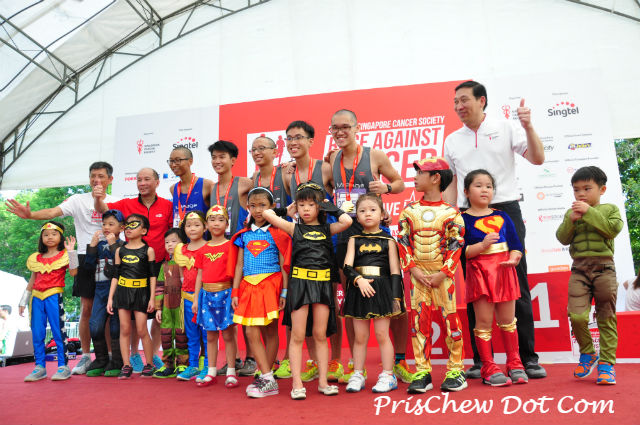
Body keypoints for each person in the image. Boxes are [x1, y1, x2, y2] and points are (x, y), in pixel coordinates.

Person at [443, 80, 547, 379]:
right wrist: (449, 218)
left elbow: (538, 158)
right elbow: (451, 183)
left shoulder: (507, 127)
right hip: (467, 216)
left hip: (505, 211)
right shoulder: (452, 140)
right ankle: (481, 361)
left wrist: (528, 126)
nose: (459, 107)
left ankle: (526, 359)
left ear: (481, 100)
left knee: (516, 282)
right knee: (475, 289)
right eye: (455, 102)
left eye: (464, 100)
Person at [7, 161, 116, 375]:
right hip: (85, 255)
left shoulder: (117, 200)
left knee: (108, 310)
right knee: (87, 308)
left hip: (109, 255)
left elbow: (109, 215)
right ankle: (86, 356)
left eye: (101, 176)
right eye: (93, 176)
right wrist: (30, 214)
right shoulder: (77, 200)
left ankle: (110, 357)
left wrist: (99, 200)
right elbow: (52, 212)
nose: (96, 180)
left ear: (110, 179)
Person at [327, 109, 411, 384]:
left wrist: (387, 189)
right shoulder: (332, 157)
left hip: (375, 231)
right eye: (335, 127)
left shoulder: (374, 155)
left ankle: (399, 360)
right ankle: (356, 364)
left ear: (356, 127)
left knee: (393, 297)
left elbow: (399, 182)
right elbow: (325, 186)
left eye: (345, 126)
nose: (340, 132)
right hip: (346, 232)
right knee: (352, 297)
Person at [264, 182, 352, 399]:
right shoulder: (294, 227)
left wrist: (331, 206)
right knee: (298, 335)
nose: (305, 209)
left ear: (318, 207)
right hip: (300, 285)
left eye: (311, 205)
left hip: (322, 285)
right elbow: (267, 214)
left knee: (320, 334)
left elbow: (347, 221)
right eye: (301, 204)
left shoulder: (327, 229)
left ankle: (323, 382)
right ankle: (297, 384)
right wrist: (287, 210)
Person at [397, 158, 467, 393]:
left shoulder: (452, 213)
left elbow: (456, 245)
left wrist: (444, 272)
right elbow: (403, 241)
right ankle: (422, 372)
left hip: (443, 277)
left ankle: (456, 370)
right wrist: (413, 269)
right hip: (417, 276)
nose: (415, 177)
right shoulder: (409, 211)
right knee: (419, 323)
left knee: (451, 321)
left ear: (436, 178)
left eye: (420, 173)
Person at [94, 167, 172, 371]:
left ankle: (154, 355)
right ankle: (134, 354)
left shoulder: (168, 205)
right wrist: (98, 198)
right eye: (139, 180)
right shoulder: (126, 204)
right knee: (134, 315)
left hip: (158, 265)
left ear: (157, 182)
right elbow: (103, 209)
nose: (142, 183)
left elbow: (173, 233)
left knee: (158, 312)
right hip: (132, 267)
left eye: (147, 179)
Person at [556, 166, 623, 385]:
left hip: (604, 268)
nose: (581, 194)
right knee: (576, 316)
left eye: (587, 188)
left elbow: (611, 230)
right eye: (576, 190)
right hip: (579, 269)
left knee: (606, 317)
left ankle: (606, 365)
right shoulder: (571, 213)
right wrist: (571, 220)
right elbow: (562, 238)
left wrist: (589, 212)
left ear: (602, 189)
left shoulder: (610, 209)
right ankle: (588, 352)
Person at [278, 120, 334, 382]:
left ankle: (334, 362)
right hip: (302, 242)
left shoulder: (326, 167)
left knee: (330, 303)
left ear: (311, 141)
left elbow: (340, 195)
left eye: (298, 137)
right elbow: (291, 209)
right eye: (289, 138)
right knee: (303, 309)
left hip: (330, 238)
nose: (293, 142)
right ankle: (311, 362)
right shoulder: (287, 173)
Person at [462, 170, 528, 386]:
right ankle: (488, 367)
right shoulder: (461, 220)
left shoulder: (503, 216)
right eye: (478, 185)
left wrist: (515, 257)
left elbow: (516, 244)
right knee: (483, 323)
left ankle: (515, 364)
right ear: (466, 191)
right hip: (479, 273)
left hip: (504, 271)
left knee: (508, 321)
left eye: (489, 186)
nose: (484, 190)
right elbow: (461, 252)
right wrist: (482, 246)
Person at [230, 187, 291, 398]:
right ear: (247, 207)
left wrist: (284, 292)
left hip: (270, 284)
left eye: (263, 205)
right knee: (250, 332)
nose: (258, 210)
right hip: (248, 286)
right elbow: (239, 265)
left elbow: (284, 265)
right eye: (253, 206)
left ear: (272, 207)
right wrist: (235, 290)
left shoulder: (279, 233)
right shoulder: (243, 235)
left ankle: (266, 376)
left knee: (270, 331)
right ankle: (267, 376)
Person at [342, 194, 405, 393]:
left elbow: (395, 271)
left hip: (382, 290)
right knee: (360, 336)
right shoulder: (354, 239)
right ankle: (358, 374)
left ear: (382, 214)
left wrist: (396, 298)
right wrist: (358, 280)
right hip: (358, 289)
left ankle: (388, 375)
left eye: (372, 210)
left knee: (382, 334)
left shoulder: (389, 241)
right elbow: (347, 266)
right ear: (356, 216)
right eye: (362, 211)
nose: (367, 214)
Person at [209, 140, 255, 376]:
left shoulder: (245, 183)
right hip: (218, 255)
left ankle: (252, 358)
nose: (217, 161)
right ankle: (233, 359)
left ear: (233, 160)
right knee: (227, 309)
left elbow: (267, 184)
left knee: (244, 306)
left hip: (242, 254)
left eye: (222, 157)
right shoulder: (210, 189)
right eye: (214, 157)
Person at [19, 222, 78, 381]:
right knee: (37, 332)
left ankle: (63, 366)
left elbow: (73, 272)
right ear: (41, 238)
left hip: (53, 295)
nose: (49, 237)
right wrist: (23, 301)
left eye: (53, 234)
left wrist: (72, 252)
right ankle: (39, 366)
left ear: (60, 237)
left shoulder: (65, 255)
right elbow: (32, 280)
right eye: (46, 235)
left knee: (58, 331)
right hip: (36, 297)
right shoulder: (36, 258)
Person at [192, 205, 238, 388]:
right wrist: (195, 298)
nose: (216, 223)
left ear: (227, 224)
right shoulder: (202, 249)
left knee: (228, 335)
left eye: (220, 220)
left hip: (226, 294)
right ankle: (211, 370)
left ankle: (231, 371)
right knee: (210, 336)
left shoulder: (231, 246)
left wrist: (235, 294)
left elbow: (236, 272)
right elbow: (199, 275)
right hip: (206, 296)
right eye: (212, 220)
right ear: (206, 225)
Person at [106, 214, 157, 379]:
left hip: (141, 292)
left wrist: (152, 298)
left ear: (144, 230)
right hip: (122, 292)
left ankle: (149, 364)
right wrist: (110, 298)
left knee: (142, 329)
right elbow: (115, 275)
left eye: (134, 225)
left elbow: (152, 276)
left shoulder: (148, 250)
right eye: (127, 225)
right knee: (125, 328)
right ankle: (126, 365)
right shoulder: (120, 250)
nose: (129, 228)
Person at [83, 209, 125, 377]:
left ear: (121, 227)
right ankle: (100, 359)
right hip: (100, 289)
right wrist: (92, 246)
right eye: (104, 224)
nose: (106, 227)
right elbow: (88, 267)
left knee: (116, 327)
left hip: (118, 290)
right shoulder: (99, 245)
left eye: (111, 224)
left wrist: (114, 245)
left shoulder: (124, 245)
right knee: (95, 325)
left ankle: (117, 361)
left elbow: (122, 265)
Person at [173, 211, 208, 381]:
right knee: (192, 333)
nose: (192, 229)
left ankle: (208, 365)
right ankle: (193, 365)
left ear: (205, 227)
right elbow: (182, 272)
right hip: (187, 296)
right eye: (188, 225)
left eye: (196, 225)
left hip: (206, 297)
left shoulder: (209, 247)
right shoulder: (182, 249)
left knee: (207, 334)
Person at [153, 228, 189, 378]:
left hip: (182, 306)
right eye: (167, 242)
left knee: (181, 334)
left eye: (174, 241)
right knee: (166, 334)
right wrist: (158, 308)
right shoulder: (164, 266)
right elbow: (159, 287)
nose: (170, 244)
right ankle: (168, 364)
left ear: (183, 243)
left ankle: (183, 364)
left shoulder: (187, 264)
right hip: (167, 307)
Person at [168, 146, 215, 226]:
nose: (173, 164)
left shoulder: (206, 185)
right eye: (171, 161)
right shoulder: (173, 189)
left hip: (202, 233)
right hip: (180, 233)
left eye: (178, 160)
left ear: (190, 161)